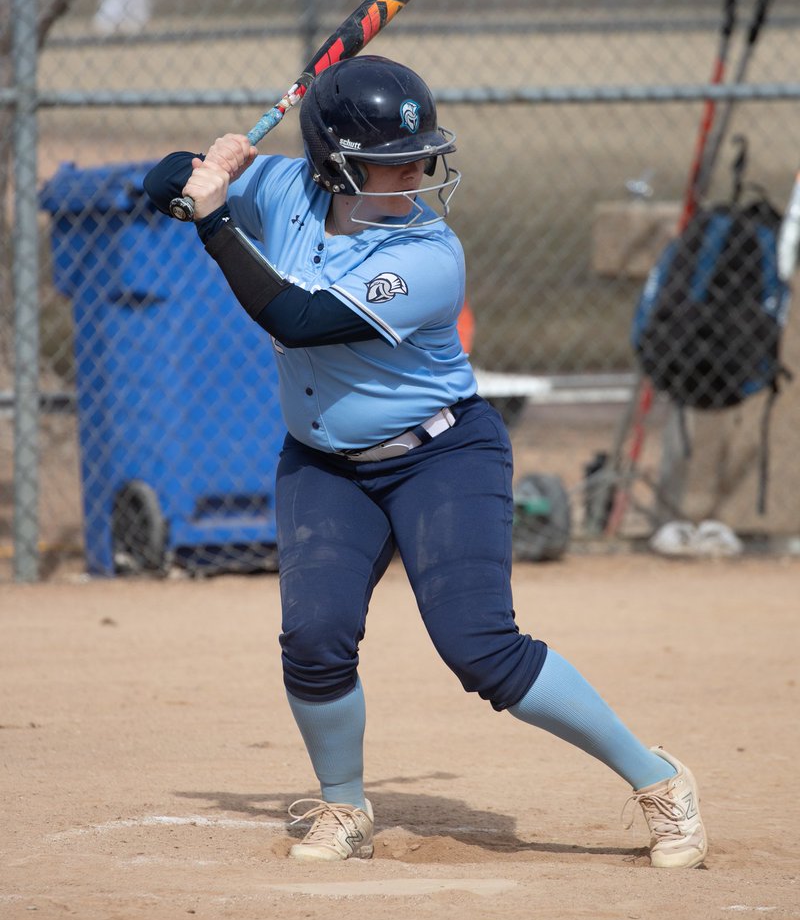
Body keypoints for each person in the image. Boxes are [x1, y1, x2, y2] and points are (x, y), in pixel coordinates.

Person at [144, 55, 708, 869]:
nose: (414, 175)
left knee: (481, 647)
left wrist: (212, 219)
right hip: (325, 464)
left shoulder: (429, 257)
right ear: (333, 165)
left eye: (421, 158)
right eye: (390, 163)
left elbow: (298, 320)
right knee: (313, 637)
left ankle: (659, 782)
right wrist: (207, 168)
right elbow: (158, 184)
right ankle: (344, 809)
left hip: (441, 456)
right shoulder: (286, 193)